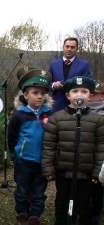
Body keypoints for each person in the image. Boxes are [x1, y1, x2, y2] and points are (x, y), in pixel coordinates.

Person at [42, 76, 104, 225]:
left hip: (86, 174)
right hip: (64, 172)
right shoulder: (57, 118)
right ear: (67, 96)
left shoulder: (98, 120)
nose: (79, 94)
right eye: (75, 91)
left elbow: (101, 148)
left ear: (90, 96)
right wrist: (48, 168)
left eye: (84, 91)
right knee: (62, 203)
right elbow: (49, 145)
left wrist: (97, 172)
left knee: (85, 205)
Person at [7, 68, 53, 225]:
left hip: (43, 162)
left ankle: (35, 216)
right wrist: (15, 156)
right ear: (25, 95)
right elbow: (12, 137)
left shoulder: (50, 115)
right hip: (23, 161)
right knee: (22, 191)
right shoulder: (19, 115)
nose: (40, 96)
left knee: (39, 193)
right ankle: (22, 215)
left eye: (42, 93)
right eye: (35, 92)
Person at [48, 37, 93, 113]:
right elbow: (47, 82)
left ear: (77, 49)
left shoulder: (84, 65)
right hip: (57, 106)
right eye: (67, 46)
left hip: (76, 106)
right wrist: (54, 85)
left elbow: (88, 84)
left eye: (72, 47)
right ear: (63, 47)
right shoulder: (53, 64)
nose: (69, 49)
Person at [86, 81, 104, 225]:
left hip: (99, 157)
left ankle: (95, 213)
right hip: (84, 156)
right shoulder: (81, 111)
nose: (91, 96)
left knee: (97, 188)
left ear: (101, 96)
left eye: (94, 93)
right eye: (89, 92)